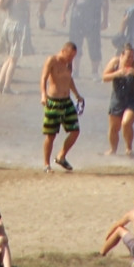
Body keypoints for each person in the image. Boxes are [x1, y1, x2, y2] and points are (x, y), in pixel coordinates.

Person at [60, 0, 108, 81]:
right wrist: (64, 14)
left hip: (93, 17)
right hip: (77, 15)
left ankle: (94, 72)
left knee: (94, 44)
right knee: (75, 44)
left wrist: (105, 19)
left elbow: (105, 1)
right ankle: (75, 70)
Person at [40, 41, 83, 172]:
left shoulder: (68, 63)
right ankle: (46, 164)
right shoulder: (52, 60)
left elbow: (69, 79)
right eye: (70, 56)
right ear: (63, 51)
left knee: (75, 131)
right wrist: (43, 95)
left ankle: (61, 156)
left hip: (66, 101)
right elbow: (43, 78)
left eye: (73, 57)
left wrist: (77, 95)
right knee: (51, 135)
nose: (71, 59)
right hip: (53, 101)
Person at [102, 45, 134, 157]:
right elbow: (104, 77)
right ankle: (112, 150)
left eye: (132, 56)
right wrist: (117, 73)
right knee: (114, 127)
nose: (130, 59)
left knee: (126, 123)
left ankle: (128, 148)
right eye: (128, 56)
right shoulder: (115, 63)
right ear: (121, 55)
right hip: (118, 98)